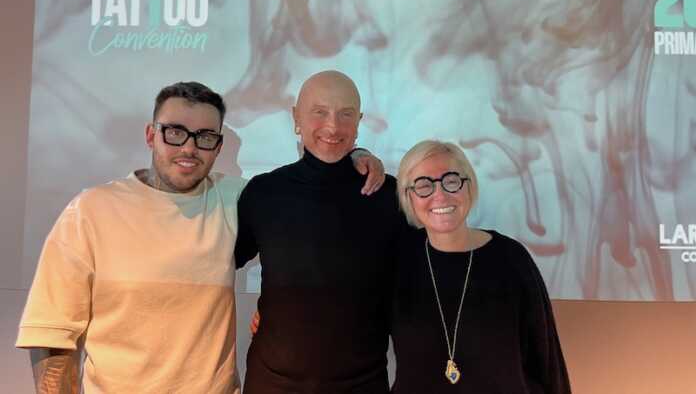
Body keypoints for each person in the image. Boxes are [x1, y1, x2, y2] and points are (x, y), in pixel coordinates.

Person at [17, 81, 384, 394]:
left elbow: (313, 192)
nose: (189, 148)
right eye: (175, 132)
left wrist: (356, 154)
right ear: (151, 135)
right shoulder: (91, 211)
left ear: (218, 147)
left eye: (205, 137)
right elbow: (52, 335)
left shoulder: (240, 199)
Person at [235, 70, 407, 394]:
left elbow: (414, 283)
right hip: (272, 383)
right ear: (296, 118)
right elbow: (217, 264)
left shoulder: (388, 195)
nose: (332, 126)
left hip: (362, 384)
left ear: (359, 122)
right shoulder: (264, 192)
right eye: (320, 112)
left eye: (345, 114)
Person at [391, 140, 571, 393]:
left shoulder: (511, 259)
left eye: (451, 180)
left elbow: (546, 358)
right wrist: (359, 155)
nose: (440, 194)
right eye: (423, 185)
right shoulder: (398, 261)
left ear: (469, 186)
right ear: (408, 196)